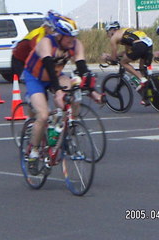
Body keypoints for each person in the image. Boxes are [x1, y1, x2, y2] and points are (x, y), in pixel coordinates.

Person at [23, 14, 104, 175]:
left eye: (74, 37)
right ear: (58, 35)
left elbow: (82, 69)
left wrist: (94, 92)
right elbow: (49, 68)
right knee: (44, 115)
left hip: (57, 76)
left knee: (73, 93)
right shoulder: (46, 43)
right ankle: (33, 152)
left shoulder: (76, 45)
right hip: (36, 78)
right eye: (68, 37)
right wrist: (58, 92)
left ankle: (66, 128)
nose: (71, 41)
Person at [101, 21, 154, 100]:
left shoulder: (114, 38)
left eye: (107, 32)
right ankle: (147, 95)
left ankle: (142, 79)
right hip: (148, 44)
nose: (107, 34)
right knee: (142, 69)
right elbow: (127, 52)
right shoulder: (125, 32)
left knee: (123, 62)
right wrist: (114, 56)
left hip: (139, 45)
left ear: (111, 30)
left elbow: (114, 58)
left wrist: (107, 57)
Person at [11, 11, 56, 80]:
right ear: (46, 27)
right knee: (28, 80)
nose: (55, 32)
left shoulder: (49, 35)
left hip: (28, 57)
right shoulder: (37, 36)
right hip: (19, 59)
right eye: (53, 29)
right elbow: (37, 54)